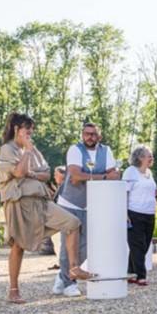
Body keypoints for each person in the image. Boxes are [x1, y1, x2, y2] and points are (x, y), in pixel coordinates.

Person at [0, 113, 90, 304]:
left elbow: (46, 174)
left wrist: (30, 172)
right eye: (27, 129)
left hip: (41, 201)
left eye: (32, 130)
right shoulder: (8, 149)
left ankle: (73, 269)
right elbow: (19, 172)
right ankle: (13, 291)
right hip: (19, 201)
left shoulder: (34, 150)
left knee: (72, 223)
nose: (30, 133)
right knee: (18, 245)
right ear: (16, 129)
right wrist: (27, 154)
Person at [52, 122, 119, 296]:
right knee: (68, 245)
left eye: (93, 134)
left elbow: (115, 174)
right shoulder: (75, 150)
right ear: (82, 135)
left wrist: (90, 177)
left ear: (99, 136)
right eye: (87, 134)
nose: (90, 137)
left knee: (87, 244)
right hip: (70, 202)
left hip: (94, 204)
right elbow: (75, 176)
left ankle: (63, 276)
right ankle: (69, 284)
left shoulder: (106, 151)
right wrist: (104, 176)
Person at [123, 146, 157, 286]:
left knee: (144, 245)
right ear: (140, 157)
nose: (152, 158)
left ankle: (130, 272)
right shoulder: (130, 172)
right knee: (138, 245)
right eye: (149, 155)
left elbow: (149, 192)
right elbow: (124, 193)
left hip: (149, 213)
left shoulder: (149, 173)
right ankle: (141, 276)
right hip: (134, 213)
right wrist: (124, 213)